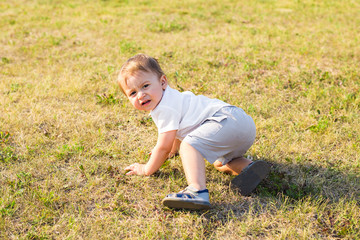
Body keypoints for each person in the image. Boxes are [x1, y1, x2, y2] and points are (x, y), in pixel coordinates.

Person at [117, 53, 270, 210]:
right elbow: (176, 132)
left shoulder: (164, 107)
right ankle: (249, 168)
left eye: (145, 86)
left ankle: (197, 191)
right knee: (218, 162)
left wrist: (146, 169)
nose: (141, 94)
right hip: (241, 124)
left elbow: (163, 146)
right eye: (133, 93)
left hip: (225, 122)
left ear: (163, 82)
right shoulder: (172, 97)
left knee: (189, 146)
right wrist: (174, 150)